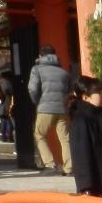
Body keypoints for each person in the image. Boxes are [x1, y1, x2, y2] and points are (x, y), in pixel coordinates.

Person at [27, 45, 73, 175]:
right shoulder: (64, 72)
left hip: (45, 108)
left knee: (39, 135)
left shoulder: (37, 69)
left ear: (40, 56)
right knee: (65, 138)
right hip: (62, 109)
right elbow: (69, 91)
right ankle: (69, 168)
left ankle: (50, 164)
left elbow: (32, 89)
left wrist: (37, 102)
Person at [0, 69, 16, 142]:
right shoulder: (7, 83)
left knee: (3, 122)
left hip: (0, 106)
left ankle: (3, 137)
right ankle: (9, 137)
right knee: (8, 122)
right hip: (7, 104)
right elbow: (12, 92)